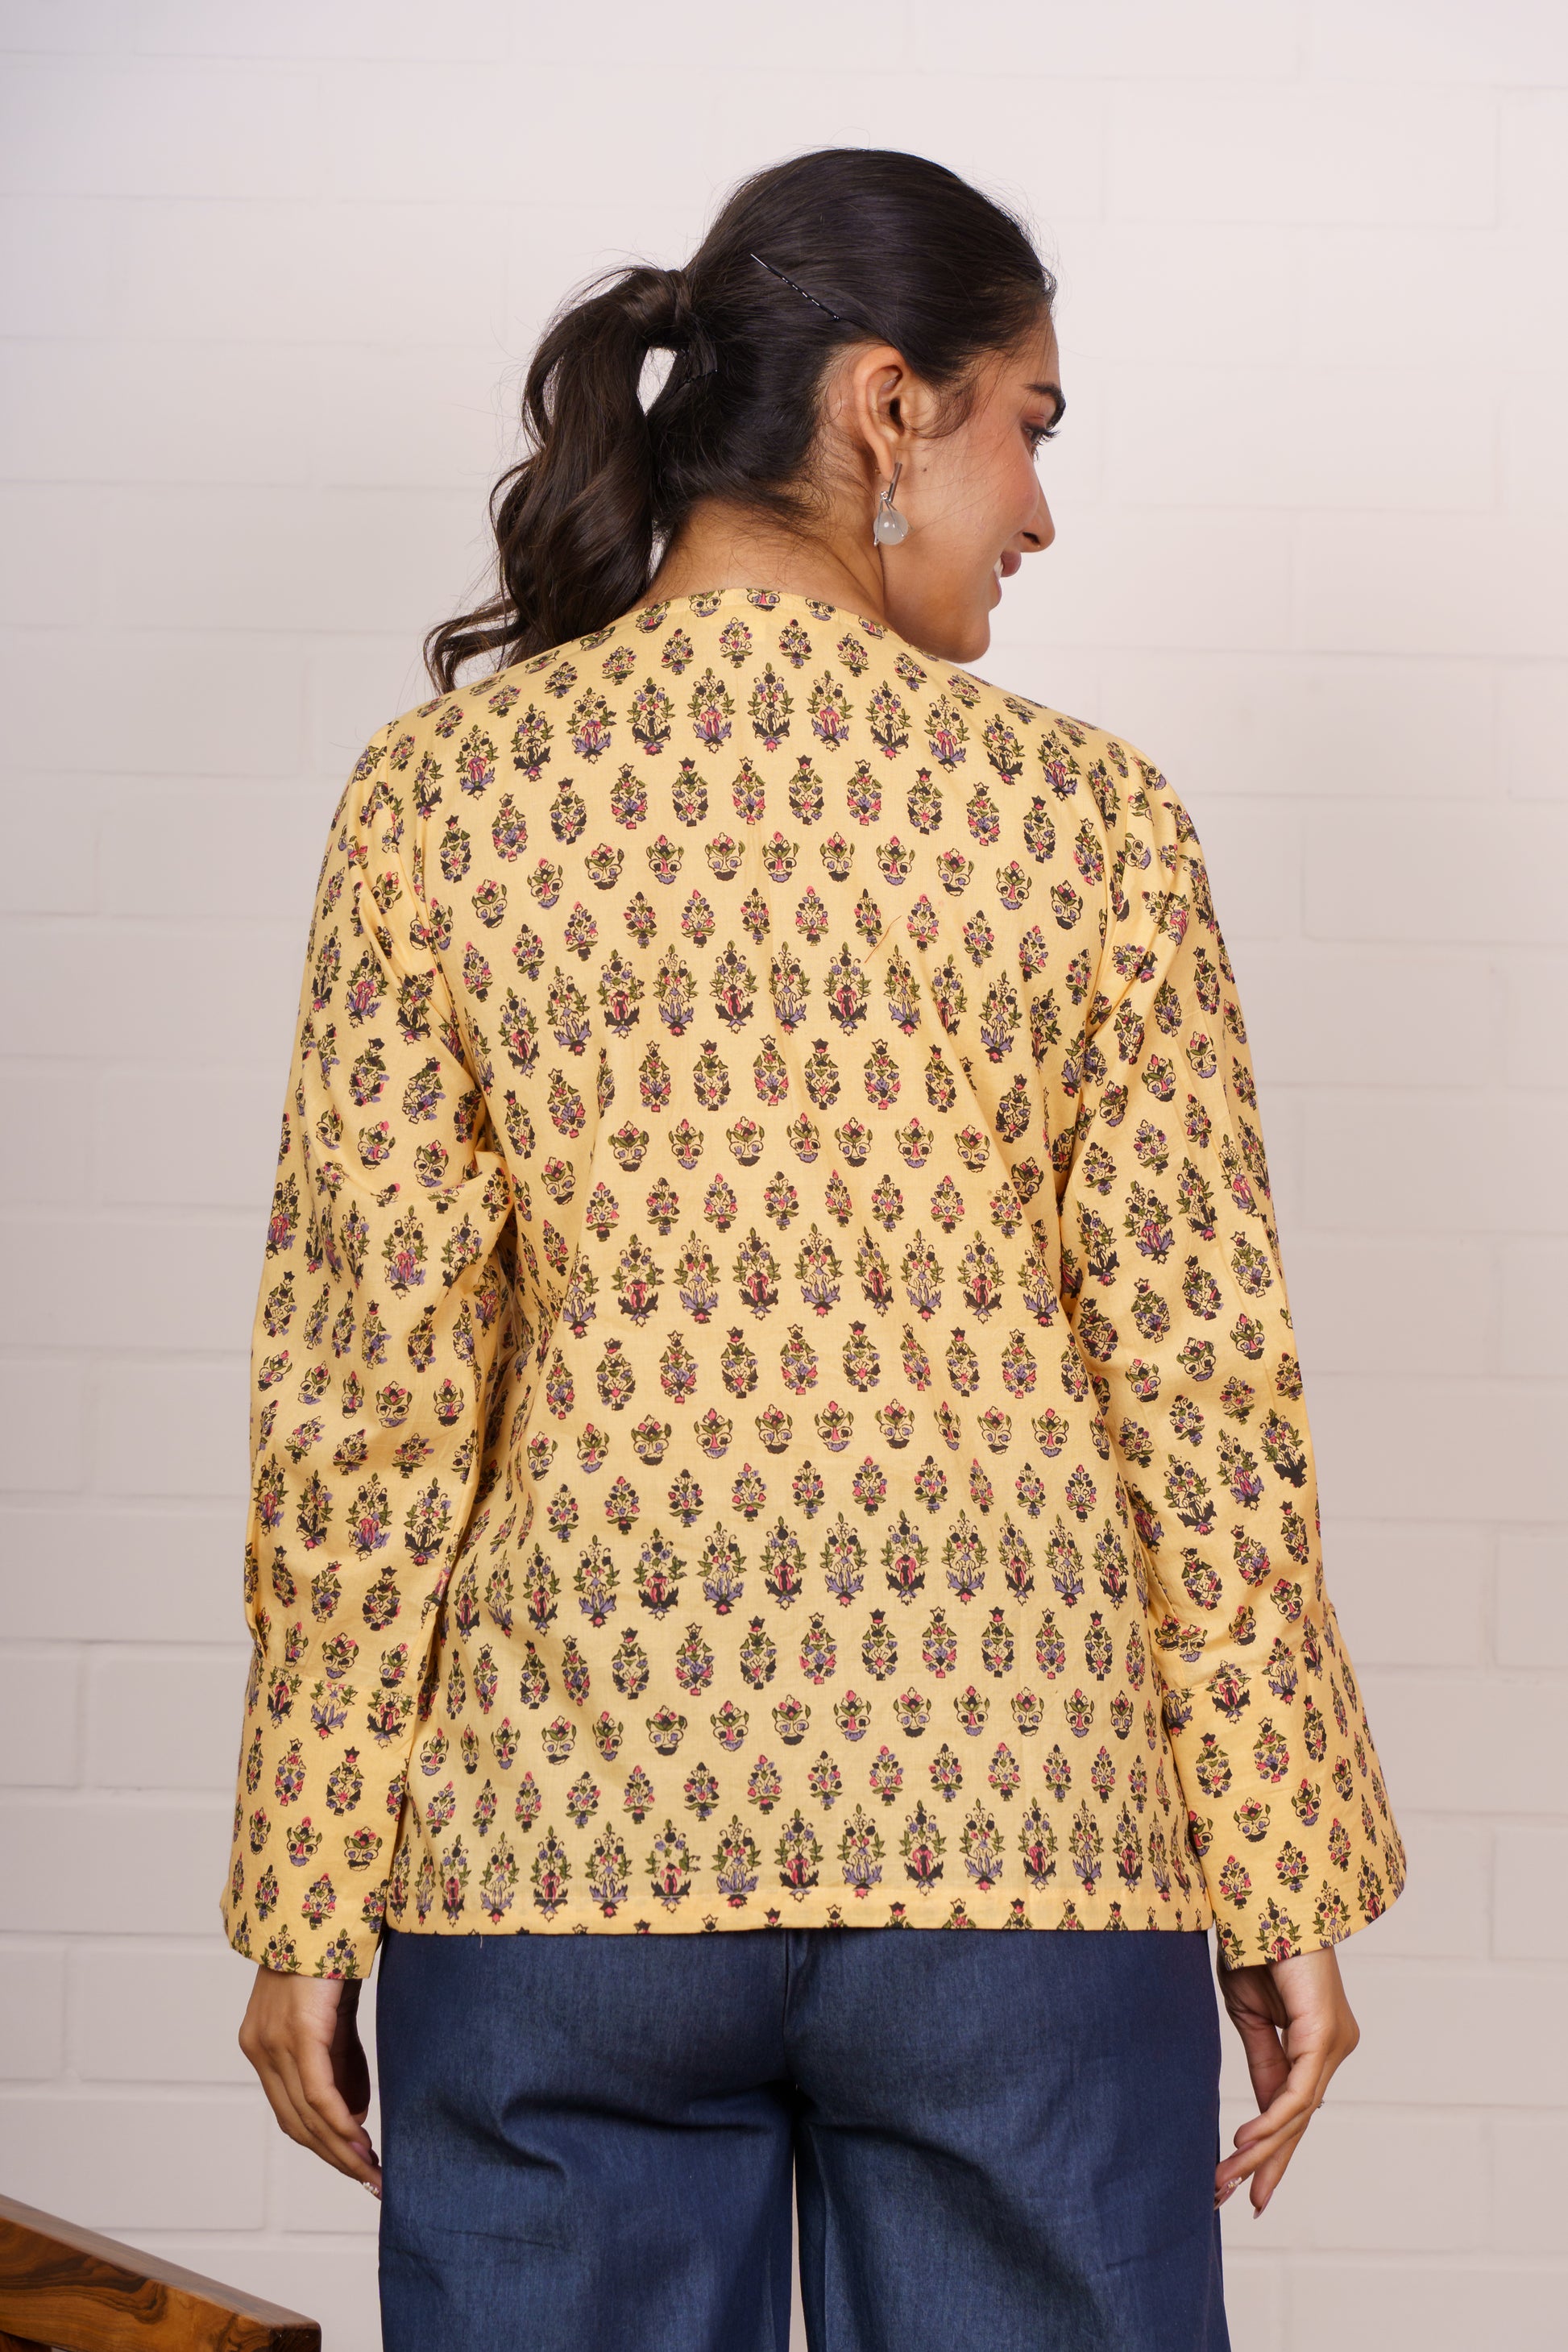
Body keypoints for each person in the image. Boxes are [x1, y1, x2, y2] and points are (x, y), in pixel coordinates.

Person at [229, 146, 1405, 2352]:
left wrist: (306, 1886)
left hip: (560, 1842)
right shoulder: (1089, 821)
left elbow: (365, 1406)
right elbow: (1201, 1400)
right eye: (1027, 425)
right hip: (1027, 1851)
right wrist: (1277, 1868)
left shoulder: (441, 803)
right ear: (888, 406)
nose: (1038, 511)